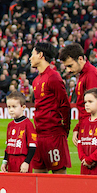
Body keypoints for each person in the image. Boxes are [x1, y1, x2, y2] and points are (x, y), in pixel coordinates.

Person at [28, 42, 69, 174]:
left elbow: (65, 105)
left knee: (59, 180)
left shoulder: (54, 78)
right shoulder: (36, 81)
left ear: (40, 55)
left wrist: (65, 130)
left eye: (32, 54)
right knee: (38, 180)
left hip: (53, 135)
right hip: (39, 134)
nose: (30, 58)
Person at [61, 42, 97, 141]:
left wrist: (81, 127)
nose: (68, 70)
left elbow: (93, 107)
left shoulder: (91, 75)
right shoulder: (84, 74)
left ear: (80, 59)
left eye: (70, 65)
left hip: (94, 128)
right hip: (90, 126)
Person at [1, 91, 34, 173]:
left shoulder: (28, 124)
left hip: (22, 160)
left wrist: (27, 162)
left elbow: (33, 146)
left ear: (23, 107)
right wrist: (4, 162)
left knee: (24, 184)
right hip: (11, 160)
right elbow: (8, 145)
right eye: (9, 107)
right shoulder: (10, 125)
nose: (11, 110)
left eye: (14, 107)